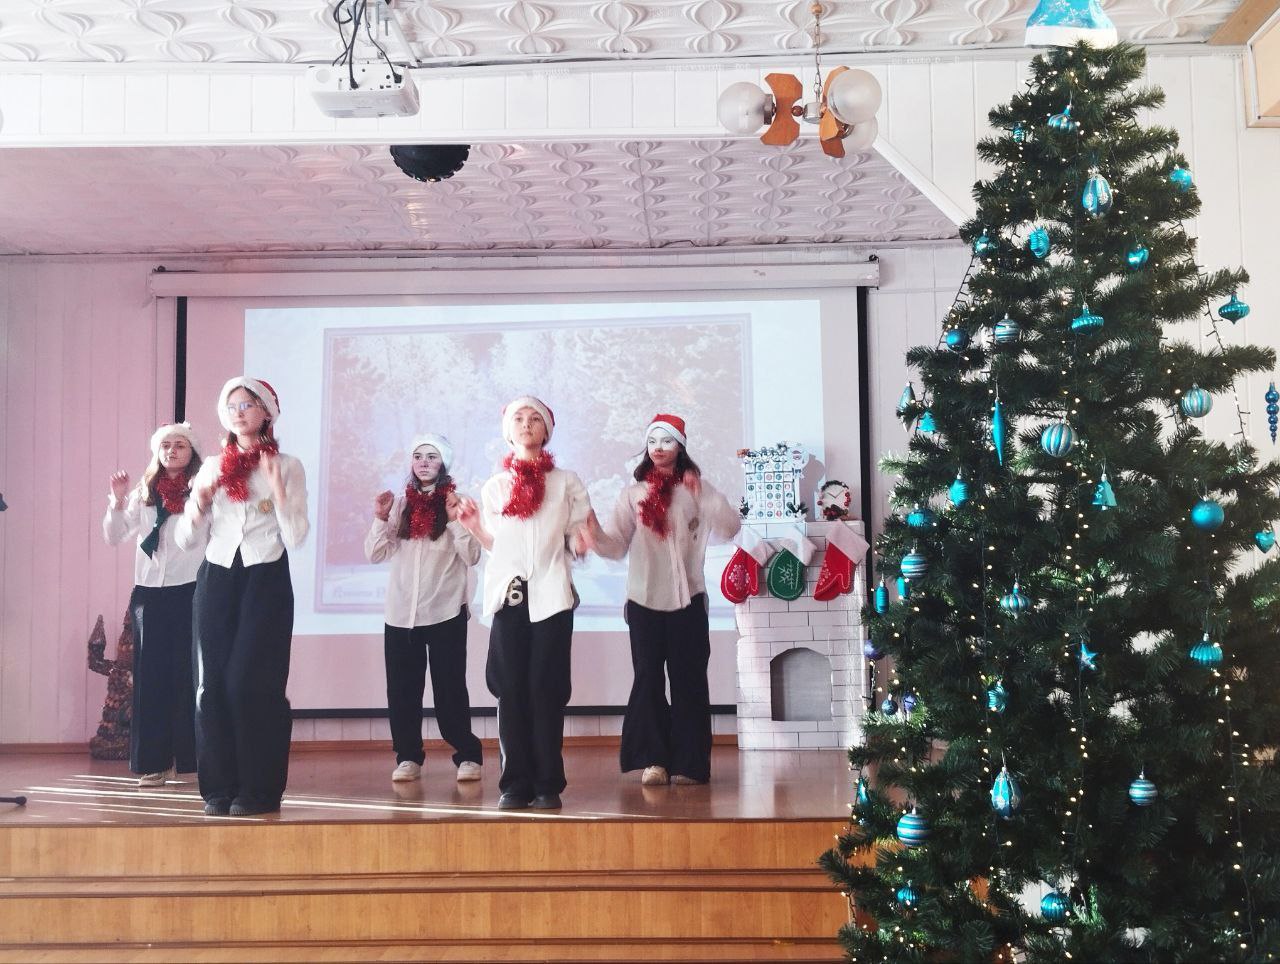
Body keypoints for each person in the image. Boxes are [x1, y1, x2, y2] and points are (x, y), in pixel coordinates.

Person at [176, 376, 308, 817]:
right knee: (211, 685)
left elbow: (297, 536)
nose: (239, 412)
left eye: (248, 405)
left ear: (266, 412)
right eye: (232, 406)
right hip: (217, 575)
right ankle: (219, 788)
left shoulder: (287, 465)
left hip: (265, 575)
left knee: (252, 684)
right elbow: (185, 540)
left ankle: (260, 789)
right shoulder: (212, 466)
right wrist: (200, 501)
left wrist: (278, 488)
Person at [456, 396, 592, 811]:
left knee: (546, 690)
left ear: (546, 430)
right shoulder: (496, 486)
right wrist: (476, 528)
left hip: (552, 597)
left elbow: (576, 531)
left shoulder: (566, 482)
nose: (526, 424)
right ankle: (514, 784)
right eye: (519, 418)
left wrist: (580, 543)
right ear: (508, 431)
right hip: (510, 598)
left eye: (535, 418)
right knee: (510, 691)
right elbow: (499, 547)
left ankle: (548, 784)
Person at [591, 414, 741, 786]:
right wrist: (592, 536)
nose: (658, 448)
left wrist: (703, 494)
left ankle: (690, 763)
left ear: (681, 446)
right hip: (643, 599)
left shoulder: (697, 489)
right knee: (648, 679)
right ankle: (654, 760)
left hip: (688, 600)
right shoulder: (633, 494)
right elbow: (615, 546)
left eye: (667, 440)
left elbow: (730, 528)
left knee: (689, 679)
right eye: (653, 441)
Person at [365, 434, 484, 784]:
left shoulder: (458, 502)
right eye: (418, 456)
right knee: (402, 692)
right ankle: (408, 757)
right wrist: (380, 518)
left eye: (432, 456)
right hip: (401, 613)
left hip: (445, 610)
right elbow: (374, 554)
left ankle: (467, 755)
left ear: (443, 462)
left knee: (450, 689)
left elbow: (473, 555)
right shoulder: (399, 505)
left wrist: (454, 520)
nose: (424, 462)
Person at [102, 422, 207, 787]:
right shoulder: (143, 493)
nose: (172, 450)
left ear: (192, 453)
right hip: (149, 593)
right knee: (151, 679)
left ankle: (191, 759)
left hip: (191, 589)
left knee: (188, 676)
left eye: (180, 445)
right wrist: (117, 501)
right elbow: (115, 535)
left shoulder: (202, 490)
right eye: (166, 445)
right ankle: (155, 762)